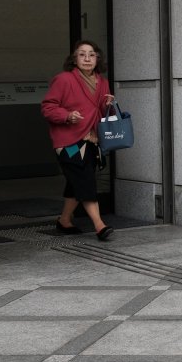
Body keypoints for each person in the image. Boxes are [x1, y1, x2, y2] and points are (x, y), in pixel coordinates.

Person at [41, 40, 116, 241]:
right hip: (70, 142)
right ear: (74, 59)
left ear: (97, 59)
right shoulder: (63, 79)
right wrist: (67, 116)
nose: (87, 58)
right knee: (85, 181)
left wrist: (108, 105)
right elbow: (48, 107)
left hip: (92, 140)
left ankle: (64, 220)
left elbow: (102, 113)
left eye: (91, 55)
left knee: (76, 182)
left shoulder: (102, 82)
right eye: (82, 54)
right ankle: (99, 225)